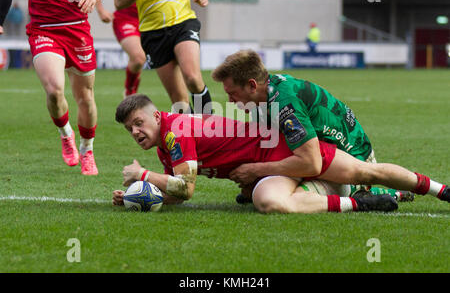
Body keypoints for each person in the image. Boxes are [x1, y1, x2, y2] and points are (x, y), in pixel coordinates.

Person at [111, 94, 449, 214]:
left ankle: (440, 190)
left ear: (155, 116)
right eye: (130, 129)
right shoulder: (167, 145)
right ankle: (365, 202)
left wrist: (141, 177)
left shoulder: (177, 132)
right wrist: (139, 196)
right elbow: (178, 194)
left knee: (366, 172)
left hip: (287, 150)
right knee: (268, 202)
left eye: (138, 123)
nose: (136, 132)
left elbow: (185, 188)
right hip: (271, 171)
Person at [211, 49, 449, 203]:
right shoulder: (265, 95)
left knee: (290, 197)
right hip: (323, 151)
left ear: (252, 85)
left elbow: (310, 162)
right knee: (266, 190)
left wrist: (257, 171)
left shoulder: (284, 102)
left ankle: (379, 193)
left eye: (233, 94)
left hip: (351, 155)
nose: (230, 101)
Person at [0, 0, 111, 175]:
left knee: (85, 97)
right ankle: (66, 134)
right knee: (54, 89)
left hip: (77, 30)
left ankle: (87, 149)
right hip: (43, 30)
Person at [114, 0, 213, 114]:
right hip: (153, 33)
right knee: (179, 100)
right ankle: (193, 134)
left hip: (183, 23)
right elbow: (118, 2)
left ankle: (209, 128)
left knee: (192, 78)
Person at [94, 0, 146, 97]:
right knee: (138, 57)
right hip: (126, 19)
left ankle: (185, 110)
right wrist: (101, 10)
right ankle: (129, 92)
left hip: (152, 19)